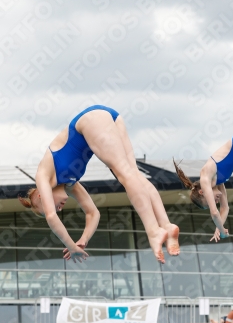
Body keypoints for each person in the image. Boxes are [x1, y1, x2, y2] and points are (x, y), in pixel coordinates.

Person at [18, 106, 180, 264]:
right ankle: (166, 225)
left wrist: (71, 247)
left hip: (91, 120)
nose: (58, 209)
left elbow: (51, 216)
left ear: (41, 195)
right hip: (110, 118)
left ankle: (153, 231)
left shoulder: (43, 175)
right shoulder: (69, 184)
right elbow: (92, 213)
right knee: (134, 175)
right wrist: (83, 239)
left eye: (48, 206)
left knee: (125, 174)